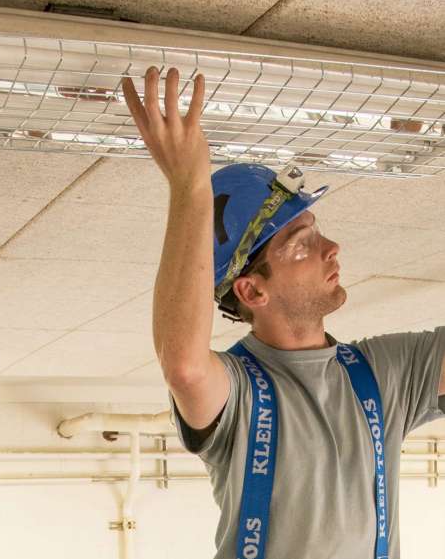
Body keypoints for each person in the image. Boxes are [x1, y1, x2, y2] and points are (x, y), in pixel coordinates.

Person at [121, 66, 445, 559]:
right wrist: (190, 187)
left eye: (318, 232)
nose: (331, 248)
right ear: (252, 292)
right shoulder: (240, 391)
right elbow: (185, 367)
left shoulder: (385, 373)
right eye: (303, 244)